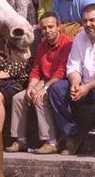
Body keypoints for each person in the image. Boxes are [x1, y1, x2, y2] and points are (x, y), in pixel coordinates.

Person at [47, 4, 95, 156]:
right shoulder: (80, 37)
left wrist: (86, 87)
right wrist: (75, 83)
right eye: (85, 21)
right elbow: (73, 66)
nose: (88, 24)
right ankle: (72, 135)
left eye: (92, 20)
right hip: (83, 83)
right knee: (55, 89)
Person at [6, 12, 70, 155]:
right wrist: (31, 87)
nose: (47, 31)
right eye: (44, 28)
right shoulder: (41, 46)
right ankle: (20, 139)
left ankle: (51, 142)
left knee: (40, 99)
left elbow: (61, 71)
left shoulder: (67, 44)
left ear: (59, 26)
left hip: (60, 82)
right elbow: (36, 70)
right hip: (44, 81)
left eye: (51, 27)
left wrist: (44, 88)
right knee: (19, 98)